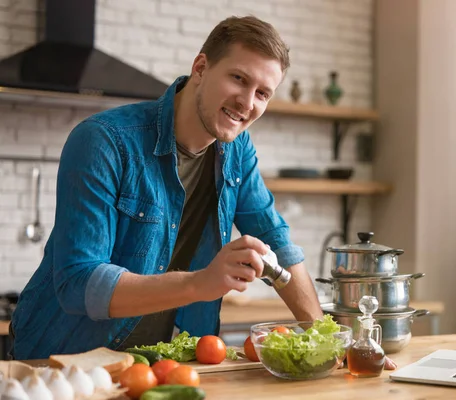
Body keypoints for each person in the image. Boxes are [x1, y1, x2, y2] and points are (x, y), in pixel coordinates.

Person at [10, 15, 323, 360]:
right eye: (238, 78)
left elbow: (276, 242)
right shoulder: (103, 140)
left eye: (262, 93)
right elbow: (78, 283)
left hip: (159, 365)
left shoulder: (237, 151)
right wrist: (201, 283)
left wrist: (326, 341)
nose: (247, 103)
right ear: (201, 67)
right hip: (61, 362)